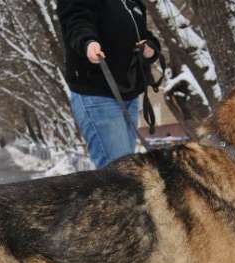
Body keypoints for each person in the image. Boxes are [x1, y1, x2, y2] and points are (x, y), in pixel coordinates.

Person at [58, 0, 161, 168]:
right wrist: (88, 42)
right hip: (97, 93)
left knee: (128, 170)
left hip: (129, 93)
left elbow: (142, 33)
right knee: (119, 173)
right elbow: (75, 20)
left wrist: (150, 47)